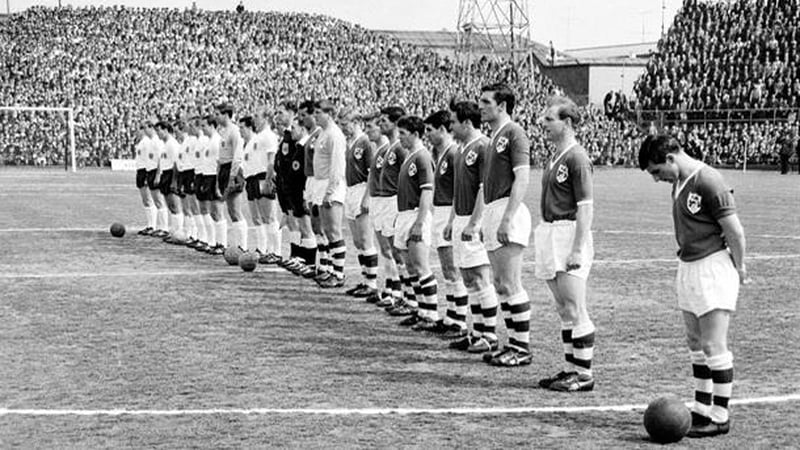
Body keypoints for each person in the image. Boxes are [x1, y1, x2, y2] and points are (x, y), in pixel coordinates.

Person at [639, 134, 748, 438]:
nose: (656, 178)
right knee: (694, 341)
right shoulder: (679, 182)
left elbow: (735, 232)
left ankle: (720, 415)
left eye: (657, 171)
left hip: (712, 267)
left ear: (671, 158)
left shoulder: (708, 180)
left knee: (714, 344)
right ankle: (701, 408)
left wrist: (740, 267)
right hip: (687, 266)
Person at [534, 96, 597, 392]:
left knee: (575, 306)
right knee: (563, 308)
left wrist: (577, 248)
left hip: (567, 232)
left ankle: (584, 375)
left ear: (567, 123)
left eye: (549, 119)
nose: (543, 124)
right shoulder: (556, 156)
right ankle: (572, 368)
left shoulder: (577, 157)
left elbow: (585, 207)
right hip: (550, 232)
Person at [476, 82, 533, 367]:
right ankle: (512, 343)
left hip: (506, 210)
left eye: (487, 102)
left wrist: (508, 218)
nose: (481, 106)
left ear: (502, 105)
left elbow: (522, 177)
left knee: (511, 283)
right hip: (492, 209)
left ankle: (521, 348)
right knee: (499, 284)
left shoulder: (514, 133)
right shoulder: (495, 136)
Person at [444, 101, 499, 354]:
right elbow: (459, 190)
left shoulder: (483, 147)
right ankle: (476, 332)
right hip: (461, 219)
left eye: (454, 122)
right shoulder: (462, 148)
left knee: (479, 277)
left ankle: (489, 334)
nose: (451, 126)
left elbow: (484, 188)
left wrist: (475, 223)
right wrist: (451, 220)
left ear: (467, 123)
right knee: (468, 278)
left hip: (474, 222)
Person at [394, 115, 441, 331]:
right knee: (411, 267)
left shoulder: (422, 157)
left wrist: (420, 222)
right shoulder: (409, 156)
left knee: (421, 266)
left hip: (415, 215)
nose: (399, 137)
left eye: (403, 133)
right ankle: (420, 310)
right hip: (404, 215)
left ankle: (431, 313)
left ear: (414, 134)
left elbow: (427, 192)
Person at [425, 109, 469, 339]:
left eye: (430, 130)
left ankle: (460, 321)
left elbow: (457, 191)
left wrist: (451, 220)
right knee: (446, 269)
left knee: (452, 268)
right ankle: (452, 315)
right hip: (439, 211)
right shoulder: (441, 154)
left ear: (443, 130)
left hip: (447, 212)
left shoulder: (453, 154)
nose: (428, 135)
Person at [363, 110, 402, 307]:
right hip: (380, 200)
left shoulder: (397, 148)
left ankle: (398, 291)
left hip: (391, 201)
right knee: (385, 249)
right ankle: (390, 287)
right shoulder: (382, 149)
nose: (379, 126)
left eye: (383, 122)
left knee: (393, 249)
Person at [340, 109, 379, 297]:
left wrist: (367, 196)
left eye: (345, 122)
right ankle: (365, 280)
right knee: (357, 240)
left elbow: (372, 171)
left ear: (356, 122)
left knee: (365, 239)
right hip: (350, 190)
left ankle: (372, 283)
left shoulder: (365, 142)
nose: (342, 127)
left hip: (362, 189)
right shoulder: (350, 143)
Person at [274, 101, 316, 270]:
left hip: (299, 188)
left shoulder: (302, 144)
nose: (278, 116)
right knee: (295, 222)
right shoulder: (292, 140)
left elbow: (300, 169)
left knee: (305, 225)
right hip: (288, 187)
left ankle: (309, 261)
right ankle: (298, 257)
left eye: (281, 112)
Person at [312, 100, 348, 288]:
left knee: (334, 231)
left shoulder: (334, 134)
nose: (315, 115)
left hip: (330, 185)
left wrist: (330, 191)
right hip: (321, 184)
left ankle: (339, 274)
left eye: (319, 112)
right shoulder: (323, 133)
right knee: (327, 230)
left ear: (329, 114)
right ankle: (331, 270)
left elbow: (337, 166)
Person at [216, 103, 246, 251]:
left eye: (219, 114)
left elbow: (237, 155)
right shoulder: (223, 131)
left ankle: (242, 246)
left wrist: (232, 176)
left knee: (235, 210)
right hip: (224, 168)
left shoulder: (234, 131)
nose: (216, 117)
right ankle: (236, 245)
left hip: (232, 170)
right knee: (230, 210)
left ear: (226, 114)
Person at [134, 122, 157, 235]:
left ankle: (153, 225)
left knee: (149, 199)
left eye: (139, 129)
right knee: (145, 200)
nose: (137, 132)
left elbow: (150, 159)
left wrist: (147, 174)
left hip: (145, 170)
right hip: (140, 170)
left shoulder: (147, 143)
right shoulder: (141, 142)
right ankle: (150, 224)